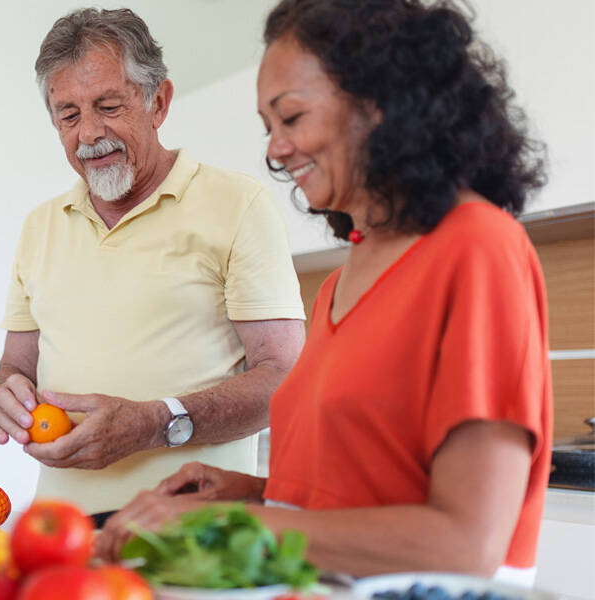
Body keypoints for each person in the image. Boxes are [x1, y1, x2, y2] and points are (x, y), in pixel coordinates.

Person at [96, 0, 551, 585]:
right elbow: (361, 496)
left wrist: (243, 527)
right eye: (269, 127)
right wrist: (252, 497)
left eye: (291, 117)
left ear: (381, 105)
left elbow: (464, 546)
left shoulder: (478, 247)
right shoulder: (343, 278)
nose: (274, 150)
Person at [0, 8, 307, 515]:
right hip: (60, 536)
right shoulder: (39, 225)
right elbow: (15, 367)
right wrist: (2, 396)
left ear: (158, 102)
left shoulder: (239, 204)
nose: (89, 134)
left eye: (108, 106)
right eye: (68, 115)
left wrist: (157, 422)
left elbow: (286, 377)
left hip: (195, 535)